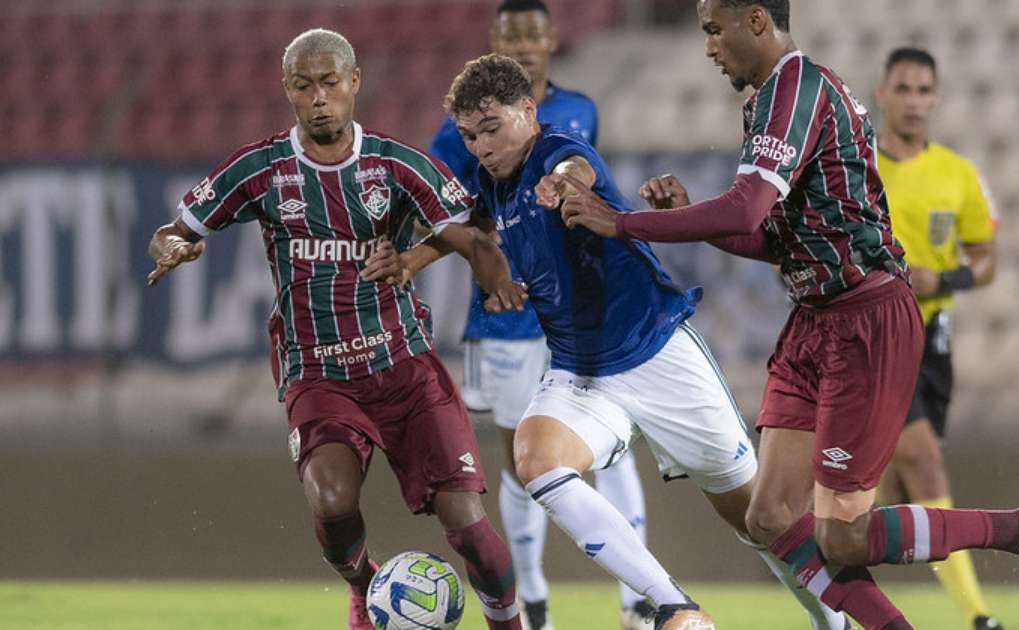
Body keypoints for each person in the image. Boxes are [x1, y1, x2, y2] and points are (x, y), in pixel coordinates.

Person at [559, 2, 1019, 629]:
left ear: (757, 20)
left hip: (866, 317)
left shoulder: (797, 88)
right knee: (769, 516)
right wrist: (689, 216)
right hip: (813, 320)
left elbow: (745, 209)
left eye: (715, 29)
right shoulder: (766, 102)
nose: (708, 47)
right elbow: (773, 237)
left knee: (842, 536)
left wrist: (622, 222)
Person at [373, 52, 852, 630]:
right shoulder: (493, 182)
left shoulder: (555, 152)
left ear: (528, 110)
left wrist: (565, 183)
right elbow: (473, 226)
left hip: (658, 354)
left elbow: (578, 167)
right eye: (471, 135)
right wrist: (413, 259)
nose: (482, 147)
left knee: (761, 520)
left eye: (492, 128)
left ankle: (834, 623)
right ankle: (674, 606)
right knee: (537, 460)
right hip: (581, 373)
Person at [145, 29, 528, 630]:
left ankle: (509, 623)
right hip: (317, 371)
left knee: (468, 526)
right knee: (331, 500)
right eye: (304, 86)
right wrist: (172, 247)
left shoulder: (395, 164)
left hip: (403, 363)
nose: (318, 97)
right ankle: (364, 584)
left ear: (354, 82)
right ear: (287, 90)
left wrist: (478, 275)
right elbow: (174, 230)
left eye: (329, 83)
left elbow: (473, 233)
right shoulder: (261, 168)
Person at [428, 2, 652, 628]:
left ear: (552, 39)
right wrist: (447, 256)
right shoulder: (458, 130)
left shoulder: (580, 110)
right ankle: (533, 600)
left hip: (575, 312)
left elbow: (582, 188)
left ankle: (638, 601)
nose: (525, 44)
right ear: (494, 42)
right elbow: (449, 216)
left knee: (615, 449)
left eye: (533, 33)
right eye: (512, 35)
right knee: (523, 461)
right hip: (506, 316)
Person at [873, 46, 1003, 630]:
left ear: (937, 98)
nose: (914, 101)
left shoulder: (958, 174)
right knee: (924, 464)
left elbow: (986, 260)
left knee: (888, 493)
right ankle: (979, 616)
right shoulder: (859, 169)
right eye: (903, 88)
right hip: (876, 337)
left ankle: (827, 577)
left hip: (934, 338)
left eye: (924, 90)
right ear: (882, 94)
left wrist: (943, 280)